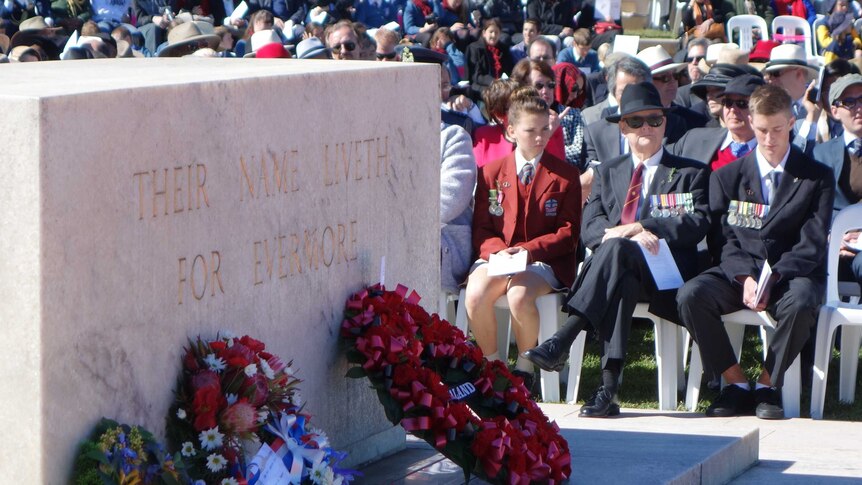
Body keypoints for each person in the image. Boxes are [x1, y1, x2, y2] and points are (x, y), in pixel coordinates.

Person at [523, 82, 710, 416]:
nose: (646, 128)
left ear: (664, 123)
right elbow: (590, 225)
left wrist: (644, 227)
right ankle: (606, 392)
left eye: (654, 120)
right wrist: (622, 236)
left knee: (617, 251)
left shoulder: (689, 172)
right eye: (636, 122)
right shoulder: (607, 172)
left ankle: (564, 338)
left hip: (665, 271)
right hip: (618, 271)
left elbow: (697, 223)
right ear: (623, 127)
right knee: (619, 268)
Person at [677, 84, 835, 420]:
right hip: (741, 274)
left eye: (777, 129)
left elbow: (813, 241)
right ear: (751, 122)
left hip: (791, 274)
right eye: (761, 130)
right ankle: (734, 382)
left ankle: (767, 385)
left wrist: (774, 276)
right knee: (692, 295)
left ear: (791, 122)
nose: (768, 139)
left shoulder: (816, 177)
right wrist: (744, 278)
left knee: (803, 302)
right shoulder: (728, 176)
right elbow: (725, 240)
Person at [465, 88, 582, 391]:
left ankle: (525, 369)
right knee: (475, 295)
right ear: (512, 130)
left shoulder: (565, 175)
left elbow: (568, 233)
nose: (541, 137)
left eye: (546, 129)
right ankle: (492, 366)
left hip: (544, 261)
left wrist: (527, 252)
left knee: (519, 295)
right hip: (498, 256)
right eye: (531, 130)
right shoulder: (490, 172)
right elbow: (481, 227)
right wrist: (498, 253)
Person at [812, 73, 862, 287]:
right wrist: (833, 235)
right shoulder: (820, 154)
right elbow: (810, 209)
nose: (858, 107)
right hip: (831, 246)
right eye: (849, 102)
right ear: (834, 111)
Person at [671, 74, 765, 172]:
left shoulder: (774, 150)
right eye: (727, 102)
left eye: (742, 103)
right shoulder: (693, 139)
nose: (732, 109)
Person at [511, 59, 581, 167]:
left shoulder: (571, 114)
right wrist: (548, 134)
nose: (545, 90)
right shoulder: (513, 116)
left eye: (550, 85)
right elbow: (512, 154)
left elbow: (578, 154)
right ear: (523, 87)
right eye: (539, 86)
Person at [466, 19, 514, 97]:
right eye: (491, 32)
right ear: (484, 33)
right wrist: (494, 82)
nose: (494, 35)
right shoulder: (475, 48)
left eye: (496, 32)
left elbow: (510, 70)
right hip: (480, 86)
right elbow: (476, 76)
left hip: (500, 85)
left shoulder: (503, 49)